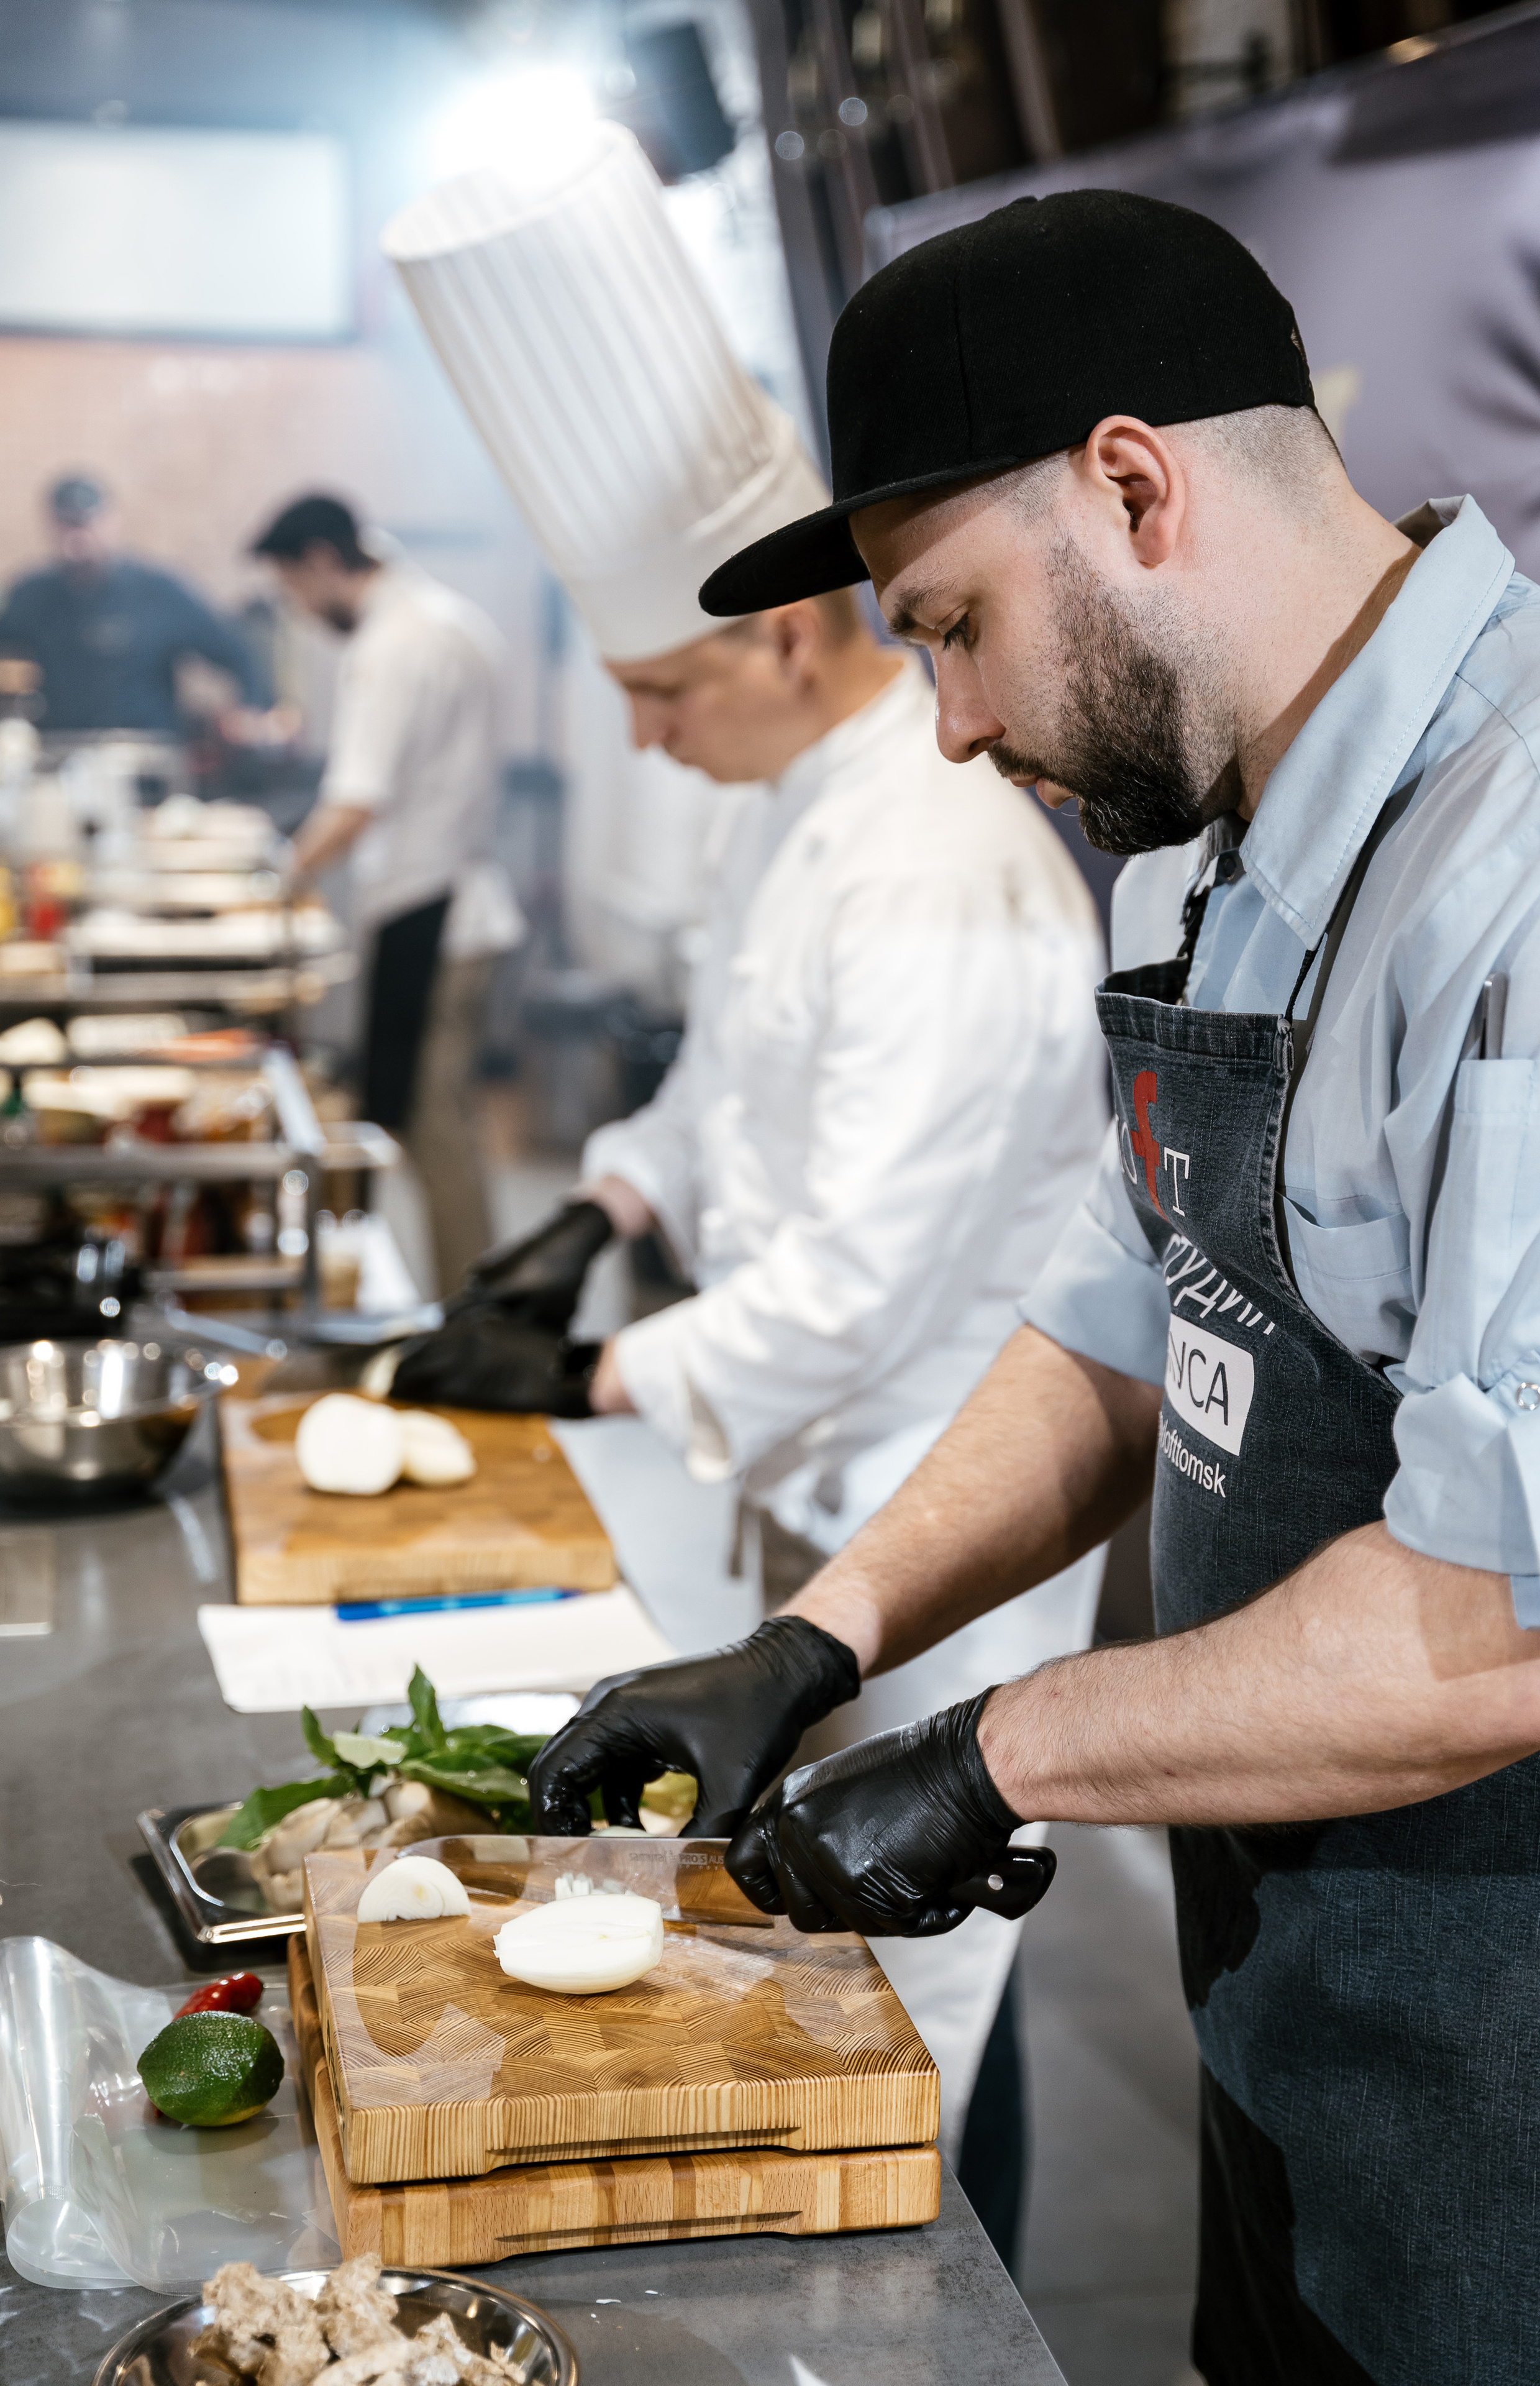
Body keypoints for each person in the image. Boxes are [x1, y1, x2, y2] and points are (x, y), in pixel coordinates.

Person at [528, 188, 1540, 2382]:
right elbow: (1128, 1317)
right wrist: (823, 1639)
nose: (936, 723)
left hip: (1539, 2054)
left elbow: (1522, 1617)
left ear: (1132, 483)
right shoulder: (1204, 848)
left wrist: (1003, 1753)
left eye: (947, 626)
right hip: (1300, 2006)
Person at [379, 126, 1111, 2250]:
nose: (638, 741)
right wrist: (595, 1221)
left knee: (917, 1982)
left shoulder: (946, 862)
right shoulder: (788, 806)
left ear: (795, 640)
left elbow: (864, 1282)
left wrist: (581, 1391)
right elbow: (719, 1094)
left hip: (928, 1500)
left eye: (661, 692)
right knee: (821, 1966)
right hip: (800, 1495)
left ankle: (965, 2299)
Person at [250, 493, 523, 1295]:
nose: (301, 610)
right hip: (457, 897)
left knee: (433, 1129)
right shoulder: (452, 620)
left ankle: (475, 1313)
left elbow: (355, 803)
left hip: (430, 909)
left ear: (322, 563)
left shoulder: (393, 643)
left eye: (295, 591)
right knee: (431, 1122)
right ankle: (469, 1303)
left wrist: (276, 877)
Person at [0, 473, 276, 738]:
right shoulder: (31, 596)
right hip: (59, 752)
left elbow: (236, 651)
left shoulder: (158, 591)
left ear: (111, 521)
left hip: (145, 755)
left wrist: (251, 710)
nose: (77, 539)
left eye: (86, 524)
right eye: (67, 526)